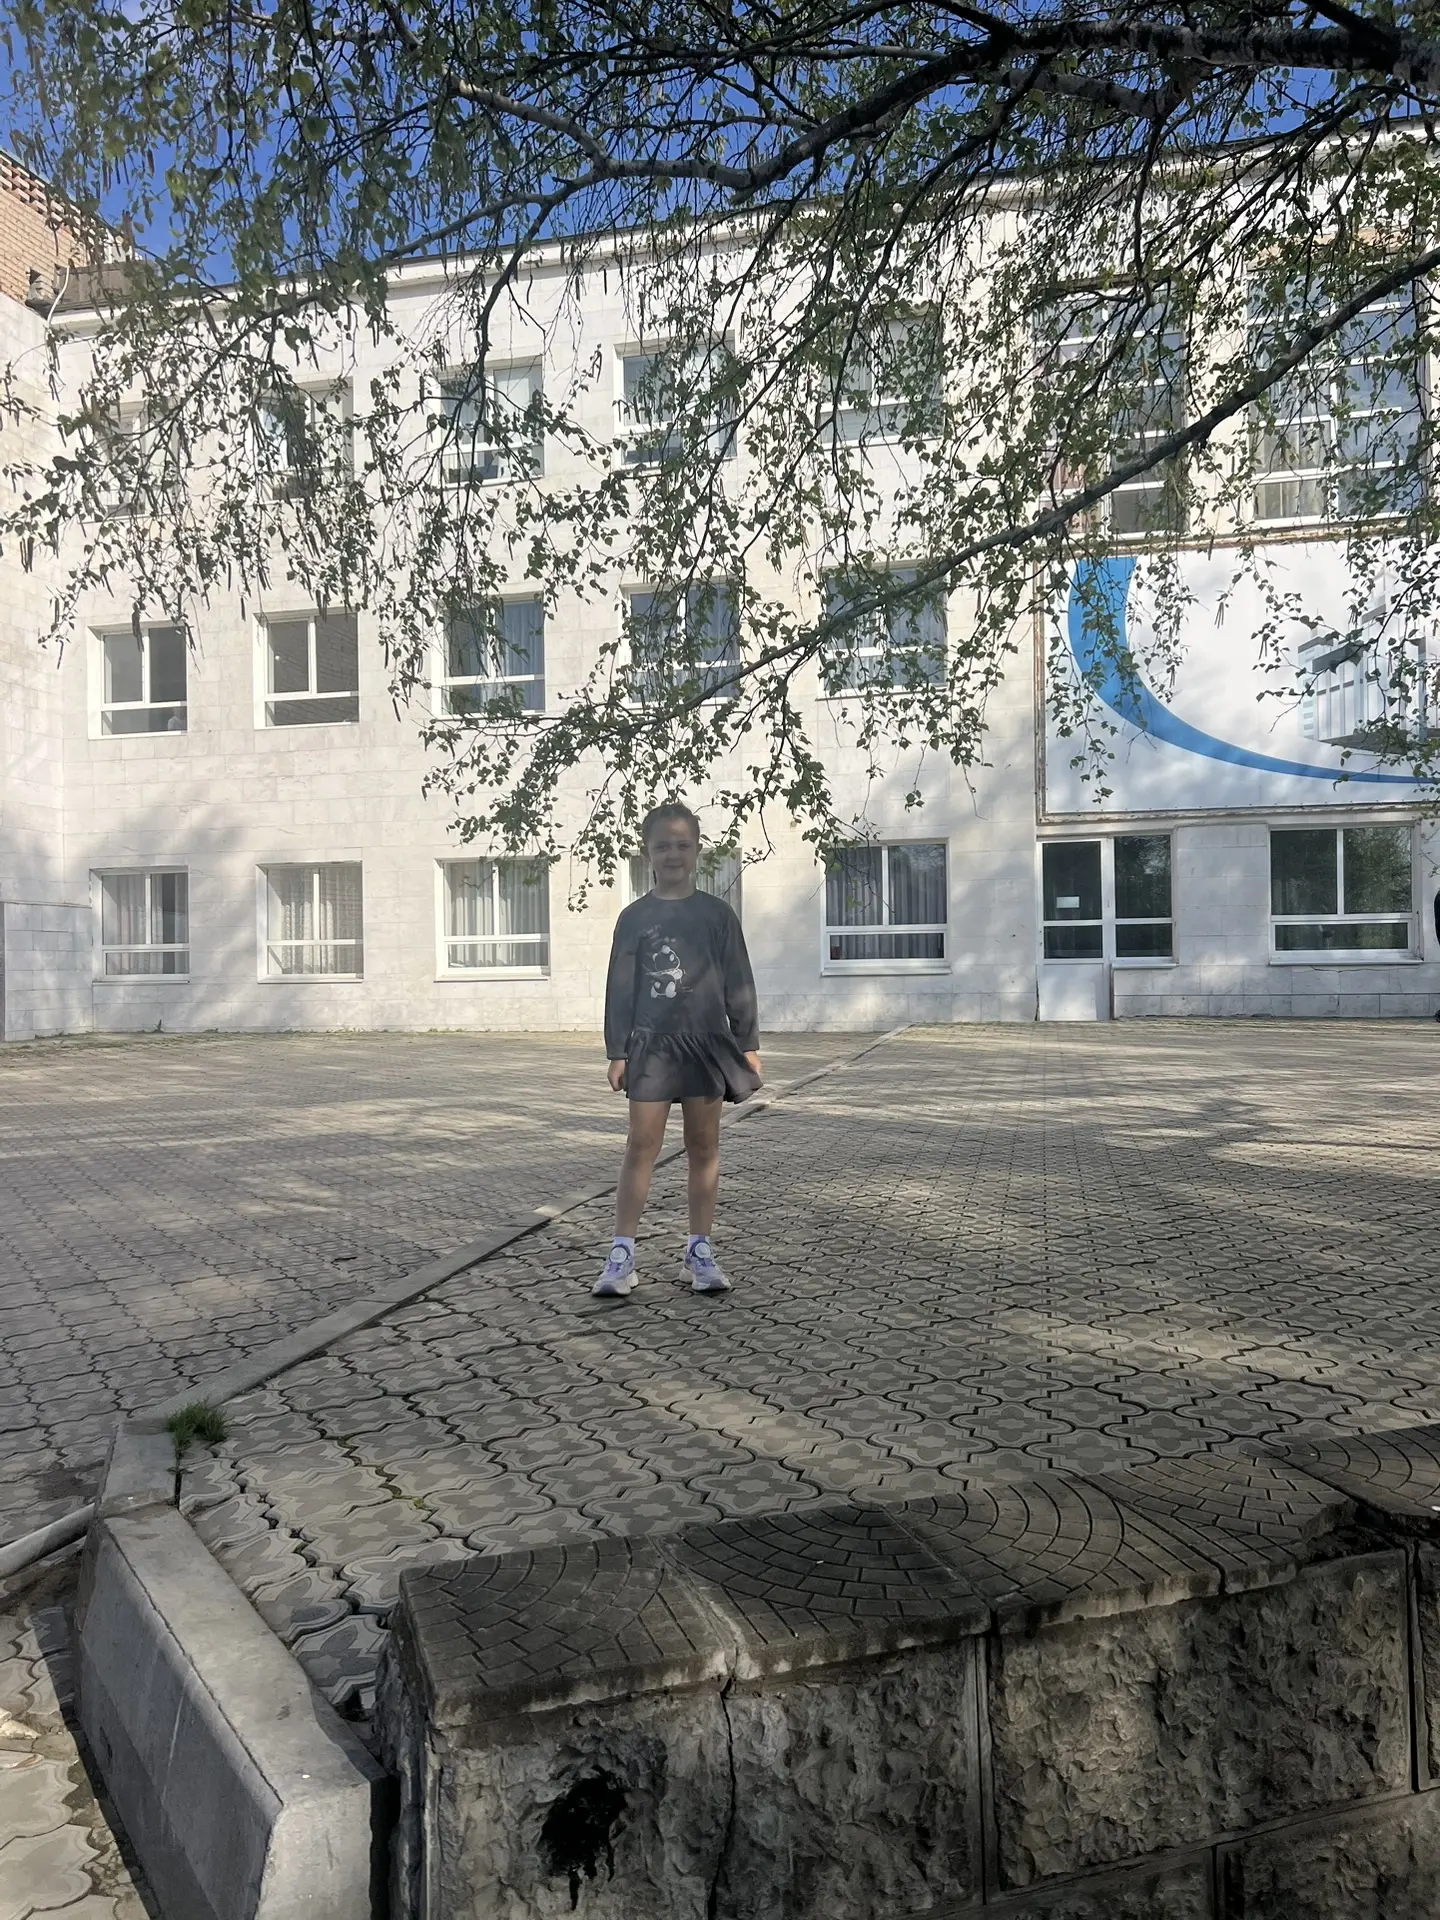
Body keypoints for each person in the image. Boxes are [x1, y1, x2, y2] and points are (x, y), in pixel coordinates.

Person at [594, 802, 762, 1297]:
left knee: (703, 1146)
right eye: (663, 845)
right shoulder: (634, 918)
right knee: (640, 1145)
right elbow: (620, 986)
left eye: (683, 845)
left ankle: (699, 1252)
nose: (673, 854)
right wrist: (617, 1050)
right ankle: (621, 1257)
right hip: (651, 1047)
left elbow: (739, 981)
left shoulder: (718, 914)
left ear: (697, 851)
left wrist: (748, 1043)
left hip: (706, 1046)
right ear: (647, 851)